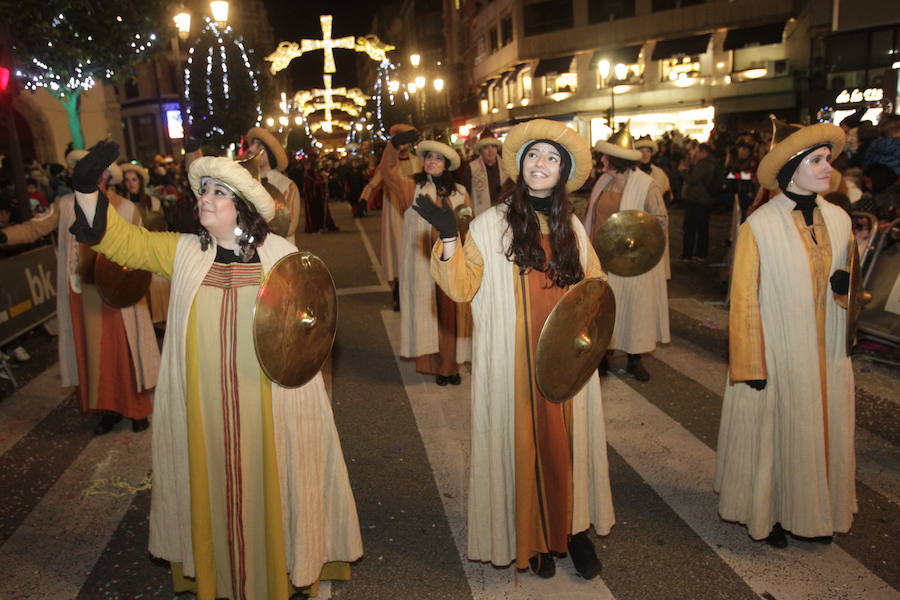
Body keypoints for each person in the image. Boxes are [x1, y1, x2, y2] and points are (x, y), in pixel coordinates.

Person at [67, 142, 363, 599]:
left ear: (242, 207)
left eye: (218, 191)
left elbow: (310, 326)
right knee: (215, 493)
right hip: (205, 410)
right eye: (202, 189)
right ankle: (224, 578)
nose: (204, 197)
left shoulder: (280, 254)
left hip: (268, 407)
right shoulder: (183, 252)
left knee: (275, 487)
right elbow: (121, 240)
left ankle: (288, 570)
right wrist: (88, 191)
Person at [416, 118, 614, 580]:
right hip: (515, 358)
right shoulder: (491, 224)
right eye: (531, 156)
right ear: (519, 166)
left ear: (562, 171)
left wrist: (592, 342)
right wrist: (449, 239)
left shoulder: (573, 227)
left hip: (566, 357)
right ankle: (535, 535)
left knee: (567, 441)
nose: (539, 164)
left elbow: (596, 285)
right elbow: (460, 287)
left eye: (550, 157)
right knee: (525, 442)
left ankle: (573, 529)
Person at [715, 123, 857, 548]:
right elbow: (743, 299)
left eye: (826, 160)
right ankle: (771, 513)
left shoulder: (839, 218)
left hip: (826, 351)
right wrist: (750, 363)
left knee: (818, 430)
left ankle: (814, 512)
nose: (826, 167)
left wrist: (844, 290)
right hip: (776, 350)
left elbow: (852, 291)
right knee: (777, 432)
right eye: (815, 161)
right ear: (793, 171)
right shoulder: (759, 226)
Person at [55, 152, 159, 435]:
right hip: (82, 294)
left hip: (117, 295)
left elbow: (142, 251)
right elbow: (35, 228)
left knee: (125, 354)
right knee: (94, 357)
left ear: (104, 176)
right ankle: (109, 410)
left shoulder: (125, 208)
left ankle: (136, 409)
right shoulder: (65, 205)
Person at [381, 130, 471, 385]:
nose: (431, 162)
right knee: (428, 316)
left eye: (438, 158)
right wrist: (393, 147)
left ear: (447, 164)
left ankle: (450, 366)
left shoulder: (460, 192)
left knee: (451, 314)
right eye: (428, 157)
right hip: (422, 264)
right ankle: (436, 367)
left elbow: (468, 225)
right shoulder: (412, 186)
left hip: (451, 262)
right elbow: (388, 173)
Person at [584, 123, 669, 382]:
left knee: (634, 307)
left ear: (615, 159)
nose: (601, 161)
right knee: (605, 307)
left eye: (605, 157)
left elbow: (660, 220)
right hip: (603, 256)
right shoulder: (602, 181)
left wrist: (635, 237)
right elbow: (593, 215)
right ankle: (603, 357)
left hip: (633, 259)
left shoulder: (647, 185)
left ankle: (635, 359)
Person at [378, 124, 422, 310]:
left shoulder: (418, 161)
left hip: (418, 210)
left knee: (417, 251)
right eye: (399, 140)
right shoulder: (390, 165)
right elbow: (383, 173)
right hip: (395, 209)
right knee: (398, 250)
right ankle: (399, 291)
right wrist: (365, 196)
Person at [122, 163, 170, 325]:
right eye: (127, 180)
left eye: (134, 179)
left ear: (140, 181)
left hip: (151, 249)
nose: (131, 183)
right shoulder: (121, 204)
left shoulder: (153, 202)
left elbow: (160, 226)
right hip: (131, 251)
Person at [246, 127, 301, 240]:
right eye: (252, 145)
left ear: (269, 154)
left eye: (259, 146)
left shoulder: (287, 186)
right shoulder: (245, 180)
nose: (251, 149)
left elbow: (289, 227)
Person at [635, 134, 672, 278]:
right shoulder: (632, 173)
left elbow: (667, 195)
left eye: (648, 150)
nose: (645, 154)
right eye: (641, 150)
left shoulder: (659, 173)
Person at [678, 143, 721, 262]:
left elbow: (693, 180)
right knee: (702, 228)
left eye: (697, 151)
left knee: (690, 228)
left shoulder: (703, 164)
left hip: (697, 200)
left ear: (704, 152)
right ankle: (701, 254)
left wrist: (682, 172)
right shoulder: (710, 163)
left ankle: (688, 254)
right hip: (704, 200)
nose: (695, 153)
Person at [461, 127, 509, 216]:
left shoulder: (506, 167)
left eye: (493, 147)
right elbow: (465, 195)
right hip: (481, 215)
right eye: (485, 147)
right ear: (480, 151)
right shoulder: (471, 168)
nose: (490, 151)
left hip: (504, 214)